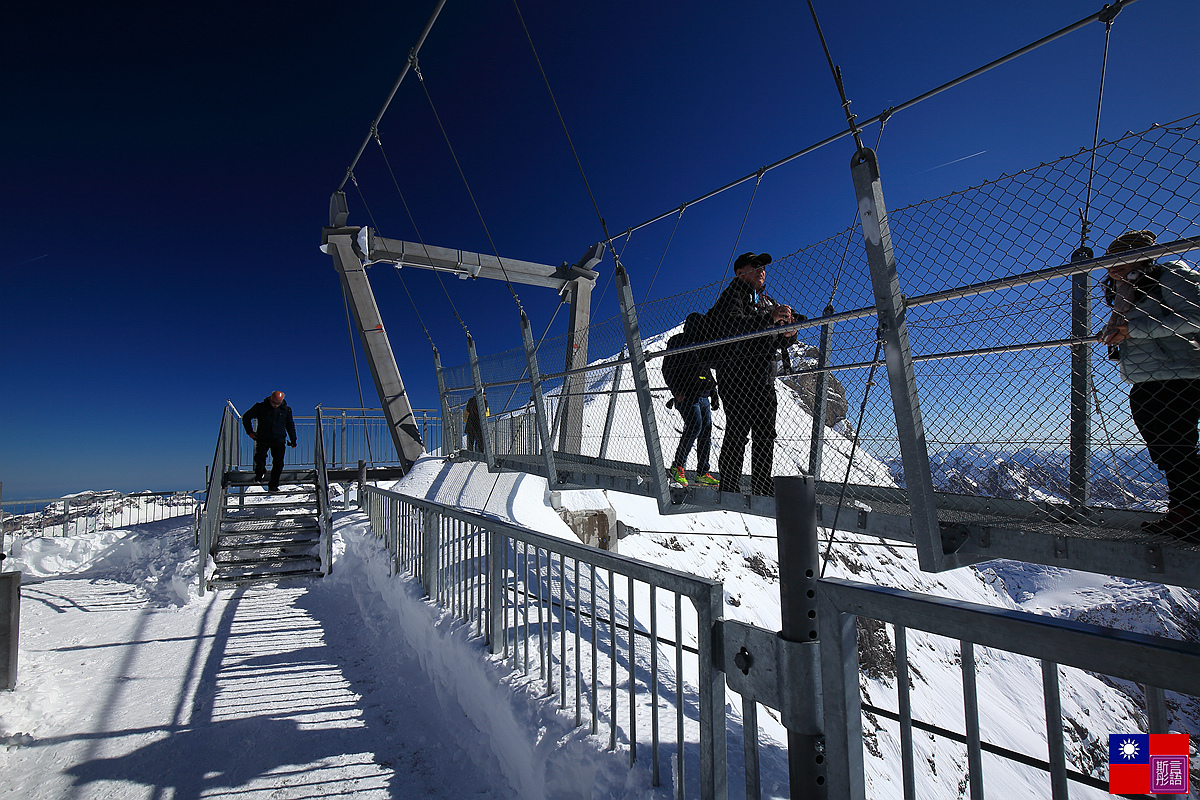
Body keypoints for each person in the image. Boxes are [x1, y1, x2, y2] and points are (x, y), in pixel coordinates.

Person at [1097, 230, 1200, 543]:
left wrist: (1131, 330)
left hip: (1179, 372)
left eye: (1117, 260)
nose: (1110, 267)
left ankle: (1190, 515)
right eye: (1108, 262)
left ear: (1137, 257)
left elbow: (1195, 317)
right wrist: (1118, 332)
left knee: (1175, 446)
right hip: (1147, 376)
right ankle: (1185, 512)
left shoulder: (1170, 275)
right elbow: (1135, 328)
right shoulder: (1125, 287)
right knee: (1167, 449)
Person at [707, 252, 800, 496]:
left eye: (763, 266)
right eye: (755, 266)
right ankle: (729, 485)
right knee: (738, 431)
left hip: (763, 377)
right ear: (740, 272)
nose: (761, 270)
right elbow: (732, 325)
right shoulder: (732, 294)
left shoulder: (766, 300)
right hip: (736, 376)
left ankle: (761, 484)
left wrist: (789, 334)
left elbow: (776, 338)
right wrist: (769, 317)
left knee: (765, 433)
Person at [662, 313, 720, 487]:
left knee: (705, 433)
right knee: (695, 427)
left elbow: (706, 370)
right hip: (687, 394)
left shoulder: (702, 344)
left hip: (703, 395)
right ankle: (677, 466)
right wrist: (676, 390)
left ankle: (702, 472)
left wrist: (713, 391)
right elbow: (667, 367)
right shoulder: (678, 341)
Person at [243, 391, 297, 492]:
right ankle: (260, 473)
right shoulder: (260, 407)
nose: (275, 405)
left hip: (279, 440)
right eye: (273, 402)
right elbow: (246, 417)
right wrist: (250, 432)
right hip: (263, 438)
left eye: (277, 403)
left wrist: (293, 440)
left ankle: (273, 485)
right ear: (270, 399)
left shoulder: (286, 410)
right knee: (260, 457)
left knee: (278, 463)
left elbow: (290, 425)